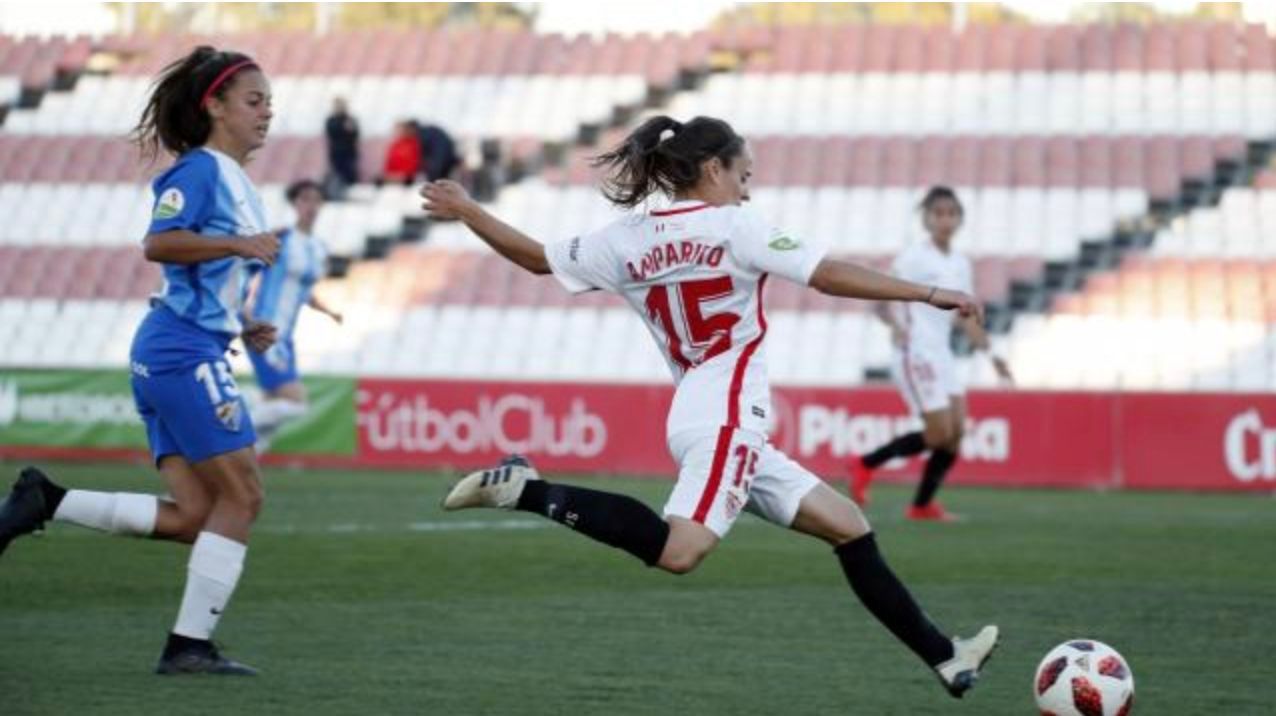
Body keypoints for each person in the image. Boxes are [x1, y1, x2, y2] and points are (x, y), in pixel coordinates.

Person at [422, 116, 999, 698]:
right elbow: (825, 275)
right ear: (712, 168)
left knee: (847, 524)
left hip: (704, 413)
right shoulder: (734, 226)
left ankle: (946, 656)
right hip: (727, 417)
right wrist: (928, 293)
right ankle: (525, 490)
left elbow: (537, 258)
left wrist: (469, 210)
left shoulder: (628, 237)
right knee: (680, 551)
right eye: (742, 176)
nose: (746, 191)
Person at [0, 46, 280, 675]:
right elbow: (159, 243)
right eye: (254, 100)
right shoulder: (201, 171)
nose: (266, 113)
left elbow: (200, 275)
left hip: (182, 347)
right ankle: (188, 648)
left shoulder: (234, 180)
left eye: (270, 103)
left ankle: (46, 501)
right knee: (243, 496)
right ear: (215, 106)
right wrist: (238, 243)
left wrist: (239, 322)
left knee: (197, 517)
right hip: (181, 352)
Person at [849, 187, 1014, 520]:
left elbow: (966, 316)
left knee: (955, 434)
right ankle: (865, 463)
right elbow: (880, 298)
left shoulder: (960, 263)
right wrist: (894, 325)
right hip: (916, 352)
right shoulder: (913, 258)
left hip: (942, 353)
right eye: (938, 213)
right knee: (939, 433)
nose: (945, 220)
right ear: (926, 218)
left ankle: (921, 505)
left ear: (960, 219)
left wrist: (993, 355)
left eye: (951, 213)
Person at [245, 178, 342, 453]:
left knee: (270, 414)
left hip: (286, 337)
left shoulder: (319, 248)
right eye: (305, 199)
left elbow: (304, 292)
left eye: (317, 199)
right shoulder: (280, 239)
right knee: (297, 402)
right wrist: (245, 311)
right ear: (294, 203)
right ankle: (230, 427)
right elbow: (245, 270)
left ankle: (241, 467)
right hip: (265, 329)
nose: (312, 205)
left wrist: (329, 312)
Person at [324, 97, 359, 197]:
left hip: (349, 153)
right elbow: (331, 133)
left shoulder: (351, 119)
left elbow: (355, 133)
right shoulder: (331, 120)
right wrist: (343, 128)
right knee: (337, 174)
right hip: (336, 153)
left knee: (349, 174)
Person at [381, 119, 421, 186]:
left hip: (407, 176)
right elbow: (389, 164)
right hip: (394, 176)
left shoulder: (414, 144)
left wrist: (403, 175)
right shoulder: (394, 145)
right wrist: (390, 175)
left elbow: (415, 163)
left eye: (401, 129)